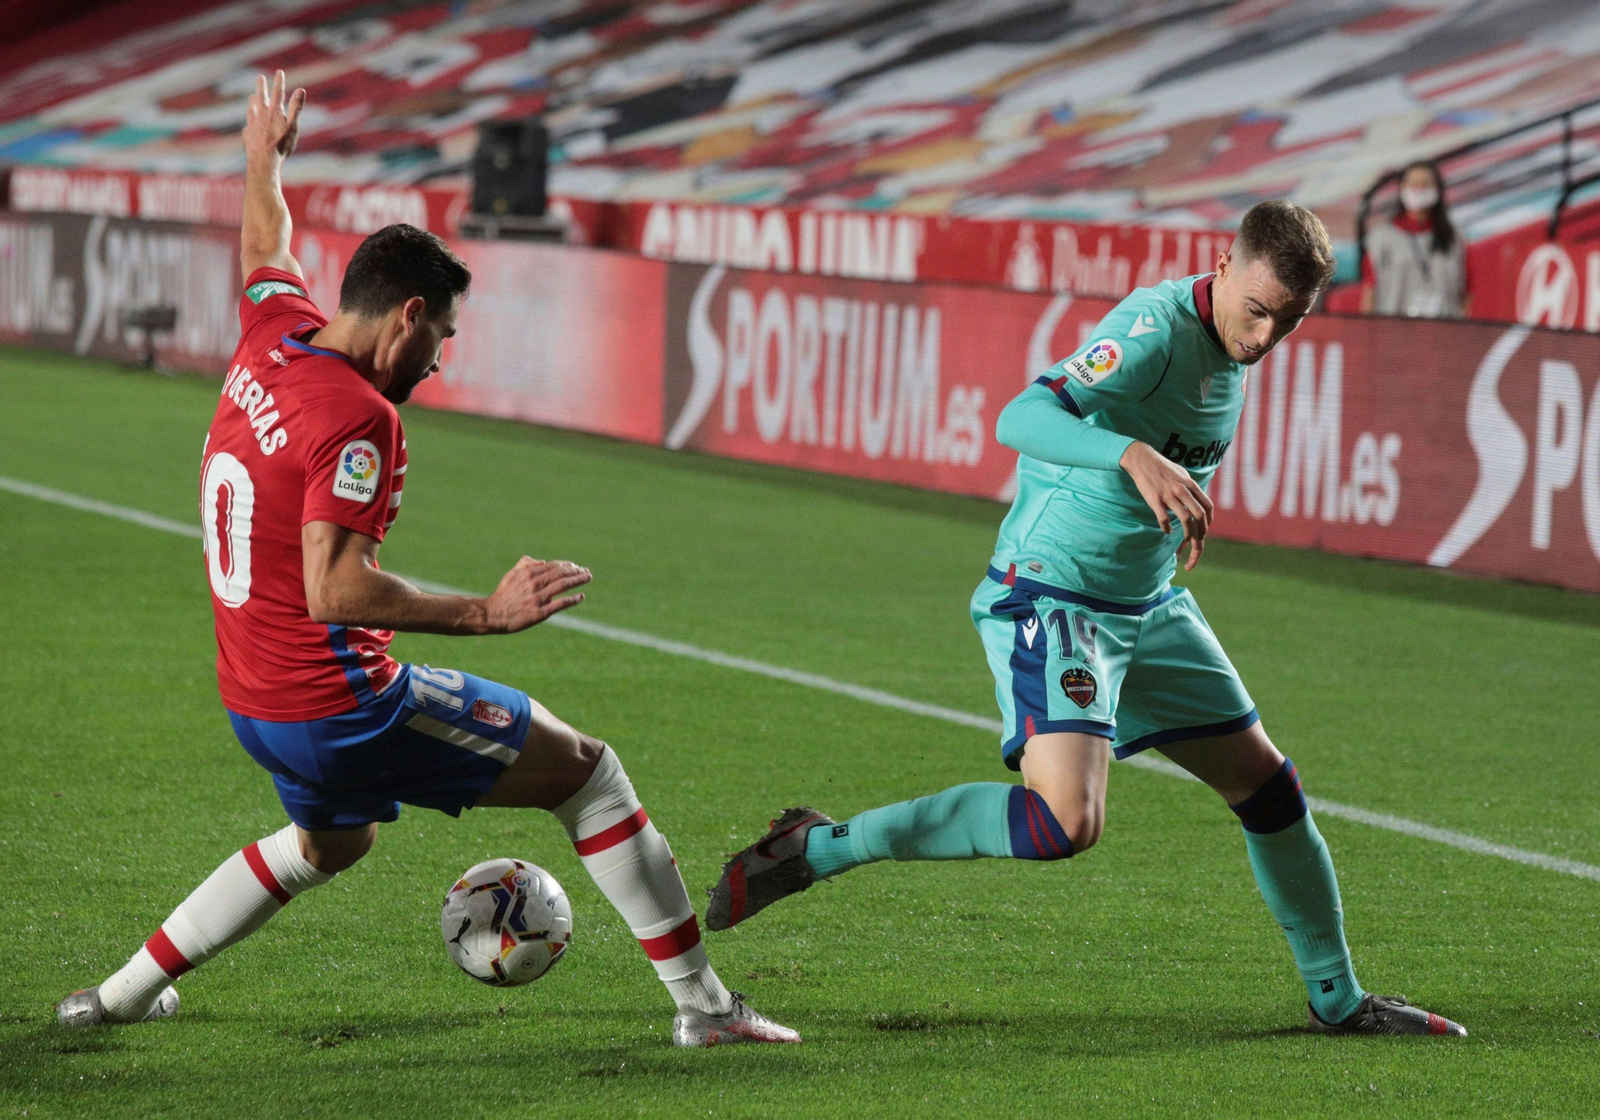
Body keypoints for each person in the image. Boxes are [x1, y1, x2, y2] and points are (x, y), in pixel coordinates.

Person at [55, 72, 797, 1048]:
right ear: (408, 314)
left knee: (333, 842)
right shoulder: (361, 418)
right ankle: (706, 1008)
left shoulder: (273, 335)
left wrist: (261, 158)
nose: (441, 358)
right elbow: (335, 589)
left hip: (252, 698)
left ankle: (111, 996)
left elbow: (263, 244)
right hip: (340, 702)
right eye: (442, 333)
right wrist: (487, 612)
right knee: (590, 774)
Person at [708, 200, 1467, 1038]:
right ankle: (816, 848)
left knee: (1269, 788)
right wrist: (1131, 453)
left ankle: (1338, 998)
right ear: (1221, 265)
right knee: (1064, 823)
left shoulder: (1237, 342)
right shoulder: (1150, 330)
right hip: (1056, 594)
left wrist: (1164, 510)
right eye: (1256, 311)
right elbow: (1021, 418)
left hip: (1148, 604)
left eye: (1287, 321)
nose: (1263, 338)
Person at [1364, 160, 1468, 319]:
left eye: (1426, 183)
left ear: (1438, 190)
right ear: (1401, 189)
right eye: (1412, 183)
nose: (1419, 189)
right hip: (1393, 334)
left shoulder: (1454, 238)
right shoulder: (1380, 238)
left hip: (1442, 335)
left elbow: (1465, 291)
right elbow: (1370, 291)